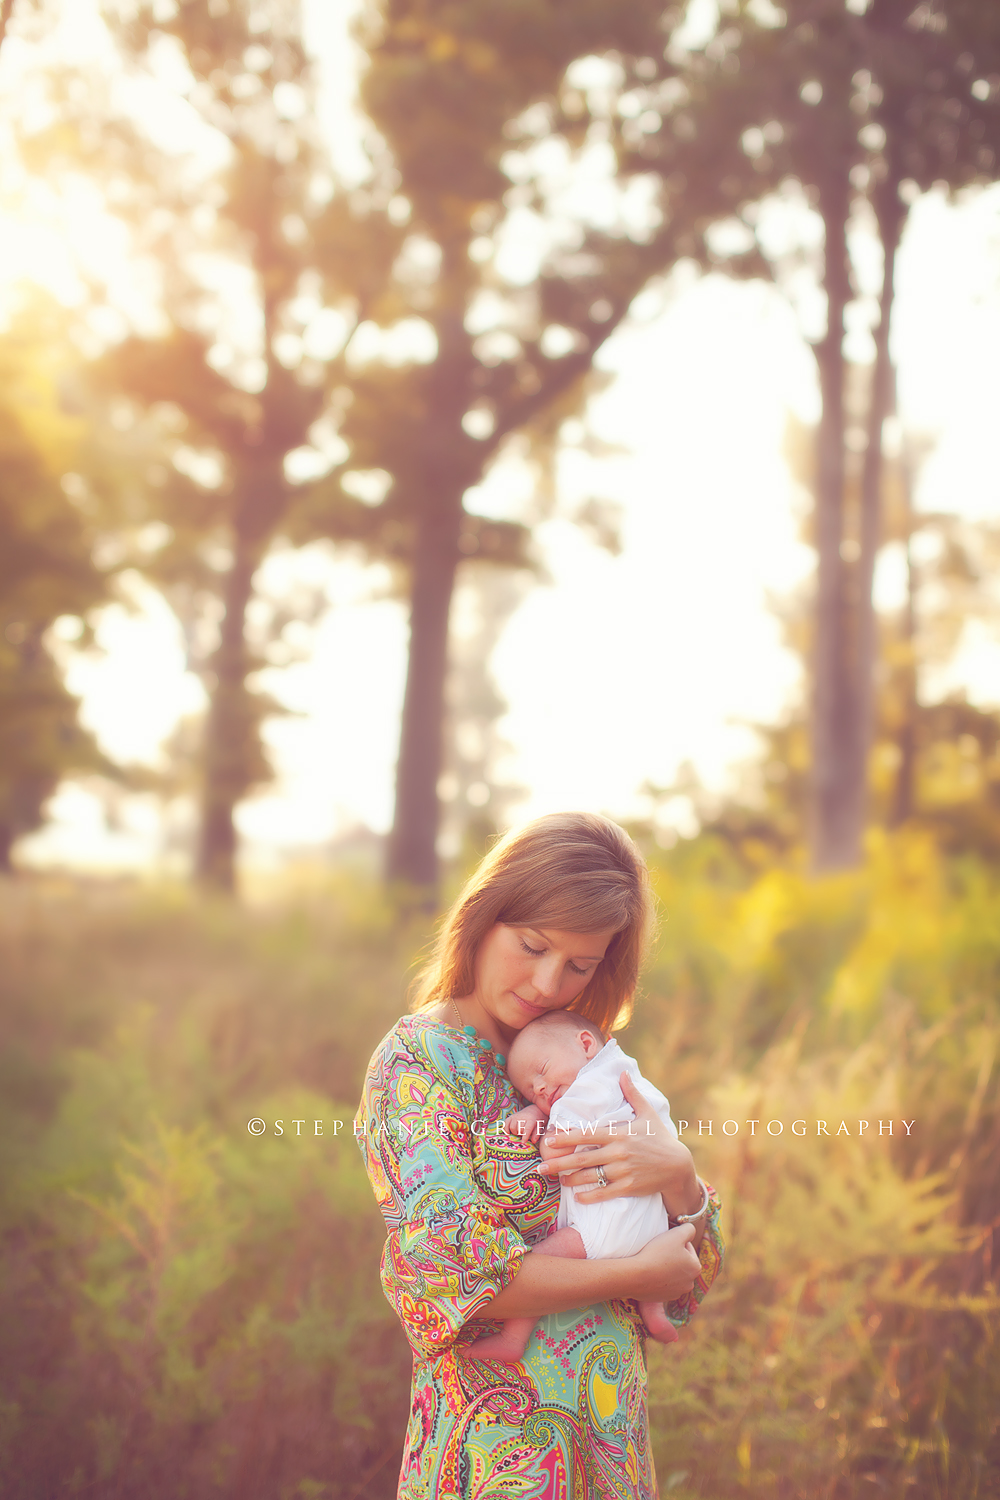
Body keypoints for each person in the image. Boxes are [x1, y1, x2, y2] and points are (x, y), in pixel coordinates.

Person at [356, 812, 723, 1500]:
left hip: (610, 1434)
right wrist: (632, 1271)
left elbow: (691, 1271)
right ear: (484, 916)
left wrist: (679, 1179)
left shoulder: (589, 1063)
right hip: (499, 1450)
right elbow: (453, 1276)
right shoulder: (417, 1066)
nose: (548, 982)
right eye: (531, 946)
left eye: (578, 965)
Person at [465, 1008, 694, 1363]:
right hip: (653, 1229)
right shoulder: (624, 1074)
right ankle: (654, 1312)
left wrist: (537, 1118)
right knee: (641, 1263)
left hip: (602, 1228)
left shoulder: (590, 1085)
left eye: (541, 1072)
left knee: (534, 1264)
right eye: (531, 1091)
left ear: (586, 1044)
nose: (540, 1089)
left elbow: (555, 1150)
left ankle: (512, 1337)